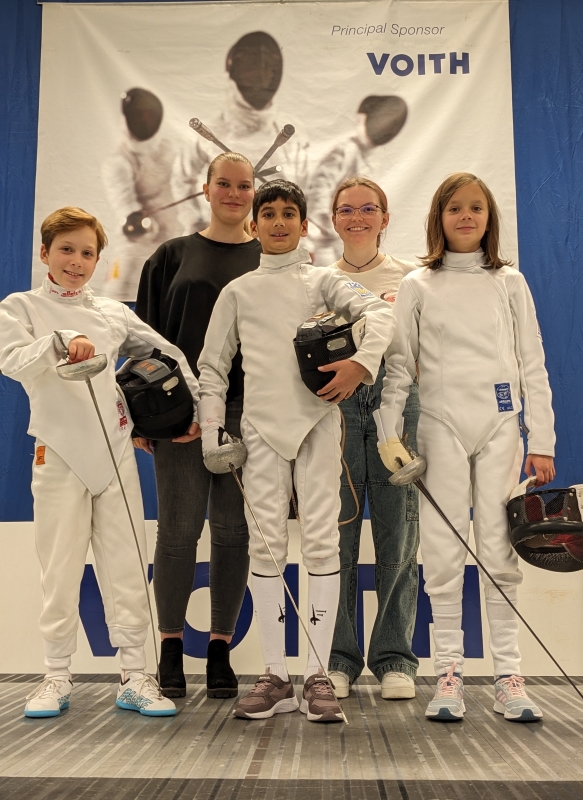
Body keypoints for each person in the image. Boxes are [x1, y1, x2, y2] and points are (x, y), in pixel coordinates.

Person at [197, 179, 394, 723]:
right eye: (270, 214)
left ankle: (316, 675)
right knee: (265, 551)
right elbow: (212, 366)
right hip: (260, 433)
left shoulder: (324, 280)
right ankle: (277, 675)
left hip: (317, 425)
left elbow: (378, 315)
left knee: (322, 546)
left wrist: (362, 364)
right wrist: (214, 429)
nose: (279, 222)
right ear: (253, 225)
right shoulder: (237, 292)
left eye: (290, 213)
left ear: (305, 226)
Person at [0, 207, 200, 718]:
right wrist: (62, 342)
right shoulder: (19, 308)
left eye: (88, 252)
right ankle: (55, 676)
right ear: (45, 253)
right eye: (66, 249)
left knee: (128, 569)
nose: (77, 261)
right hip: (58, 453)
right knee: (60, 570)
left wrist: (192, 410)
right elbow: (12, 361)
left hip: (114, 456)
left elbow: (168, 353)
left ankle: (137, 676)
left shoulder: (112, 313)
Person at [378, 173, 556, 722]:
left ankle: (509, 676)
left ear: (489, 217)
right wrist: (389, 430)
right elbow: (400, 364)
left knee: (499, 550)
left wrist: (541, 439)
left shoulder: (510, 281)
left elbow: (532, 362)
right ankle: (448, 675)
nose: (466, 216)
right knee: (444, 548)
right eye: (455, 207)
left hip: (500, 426)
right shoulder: (418, 284)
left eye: (476, 208)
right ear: (439, 215)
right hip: (438, 425)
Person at [135, 152, 261, 700]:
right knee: (178, 533)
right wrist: (146, 419)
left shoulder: (269, 257)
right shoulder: (172, 255)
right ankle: (167, 652)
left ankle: (218, 652)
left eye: (244, 186)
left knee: (234, 533)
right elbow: (142, 342)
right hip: (181, 415)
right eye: (224, 184)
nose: (234, 193)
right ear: (205, 189)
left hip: (247, 415)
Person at [324, 177, 420, 701]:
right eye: (346, 209)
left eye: (368, 209)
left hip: (397, 404)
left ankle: (393, 659)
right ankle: (338, 657)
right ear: (333, 219)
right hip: (334, 406)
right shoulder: (317, 279)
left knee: (398, 535)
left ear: (385, 218)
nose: (357, 217)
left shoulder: (411, 277)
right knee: (336, 535)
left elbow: (428, 347)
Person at [172, 32, 309, 234]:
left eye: (269, 66)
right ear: (233, 68)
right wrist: (195, 222)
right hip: (217, 243)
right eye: (253, 64)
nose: (263, 74)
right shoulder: (208, 134)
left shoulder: (292, 135)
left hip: (276, 244)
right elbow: (181, 180)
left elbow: (307, 190)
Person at [102, 88, 184, 302]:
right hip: (134, 253)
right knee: (116, 308)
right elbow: (128, 214)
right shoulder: (119, 163)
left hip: (171, 250)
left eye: (149, 113)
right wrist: (146, 224)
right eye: (139, 114)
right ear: (128, 117)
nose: (145, 118)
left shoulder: (170, 150)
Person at [307, 96, 407, 263]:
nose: (386, 128)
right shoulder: (347, 150)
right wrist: (332, 227)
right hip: (325, 244)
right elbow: (320, 190)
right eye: (381, 120)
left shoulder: (368, 156)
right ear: (362, 119)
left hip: (344, 241)